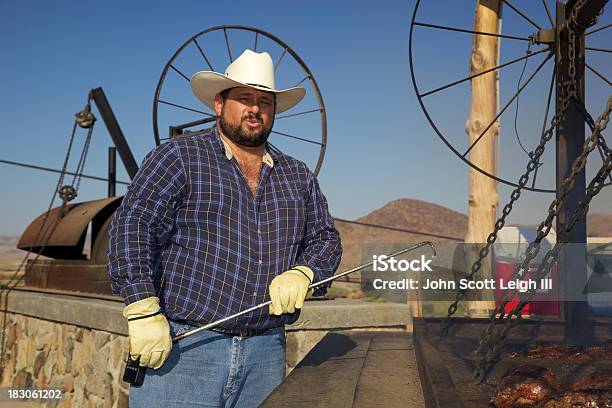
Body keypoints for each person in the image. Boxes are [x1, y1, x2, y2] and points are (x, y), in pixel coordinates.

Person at [107, 49, 342, 407]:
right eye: (244, 98)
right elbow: (132, 227)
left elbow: (325, 239)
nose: (254, 109)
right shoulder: (179, 156)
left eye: (264, 101)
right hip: (185, 350)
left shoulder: (297, 175)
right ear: (219, 104)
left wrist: (305, 271)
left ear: (274, 110)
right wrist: (142, 309)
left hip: (265, 351)